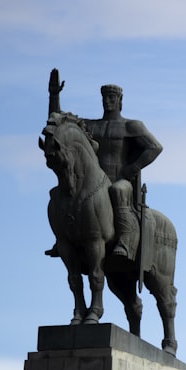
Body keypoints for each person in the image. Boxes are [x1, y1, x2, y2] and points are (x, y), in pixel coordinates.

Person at [46, 73, 163, 260]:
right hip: (94, 181)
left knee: (117, 191)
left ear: (119, 100)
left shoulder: (131, 126)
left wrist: (132, 168)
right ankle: (62, 239)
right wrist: (54, 96)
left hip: (120, 180)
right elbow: (58, 122)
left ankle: (125, 241)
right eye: (105, 98)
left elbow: (155, 147)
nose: (108, 101)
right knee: (57, 193)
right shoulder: (91, 126)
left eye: (112, 98)